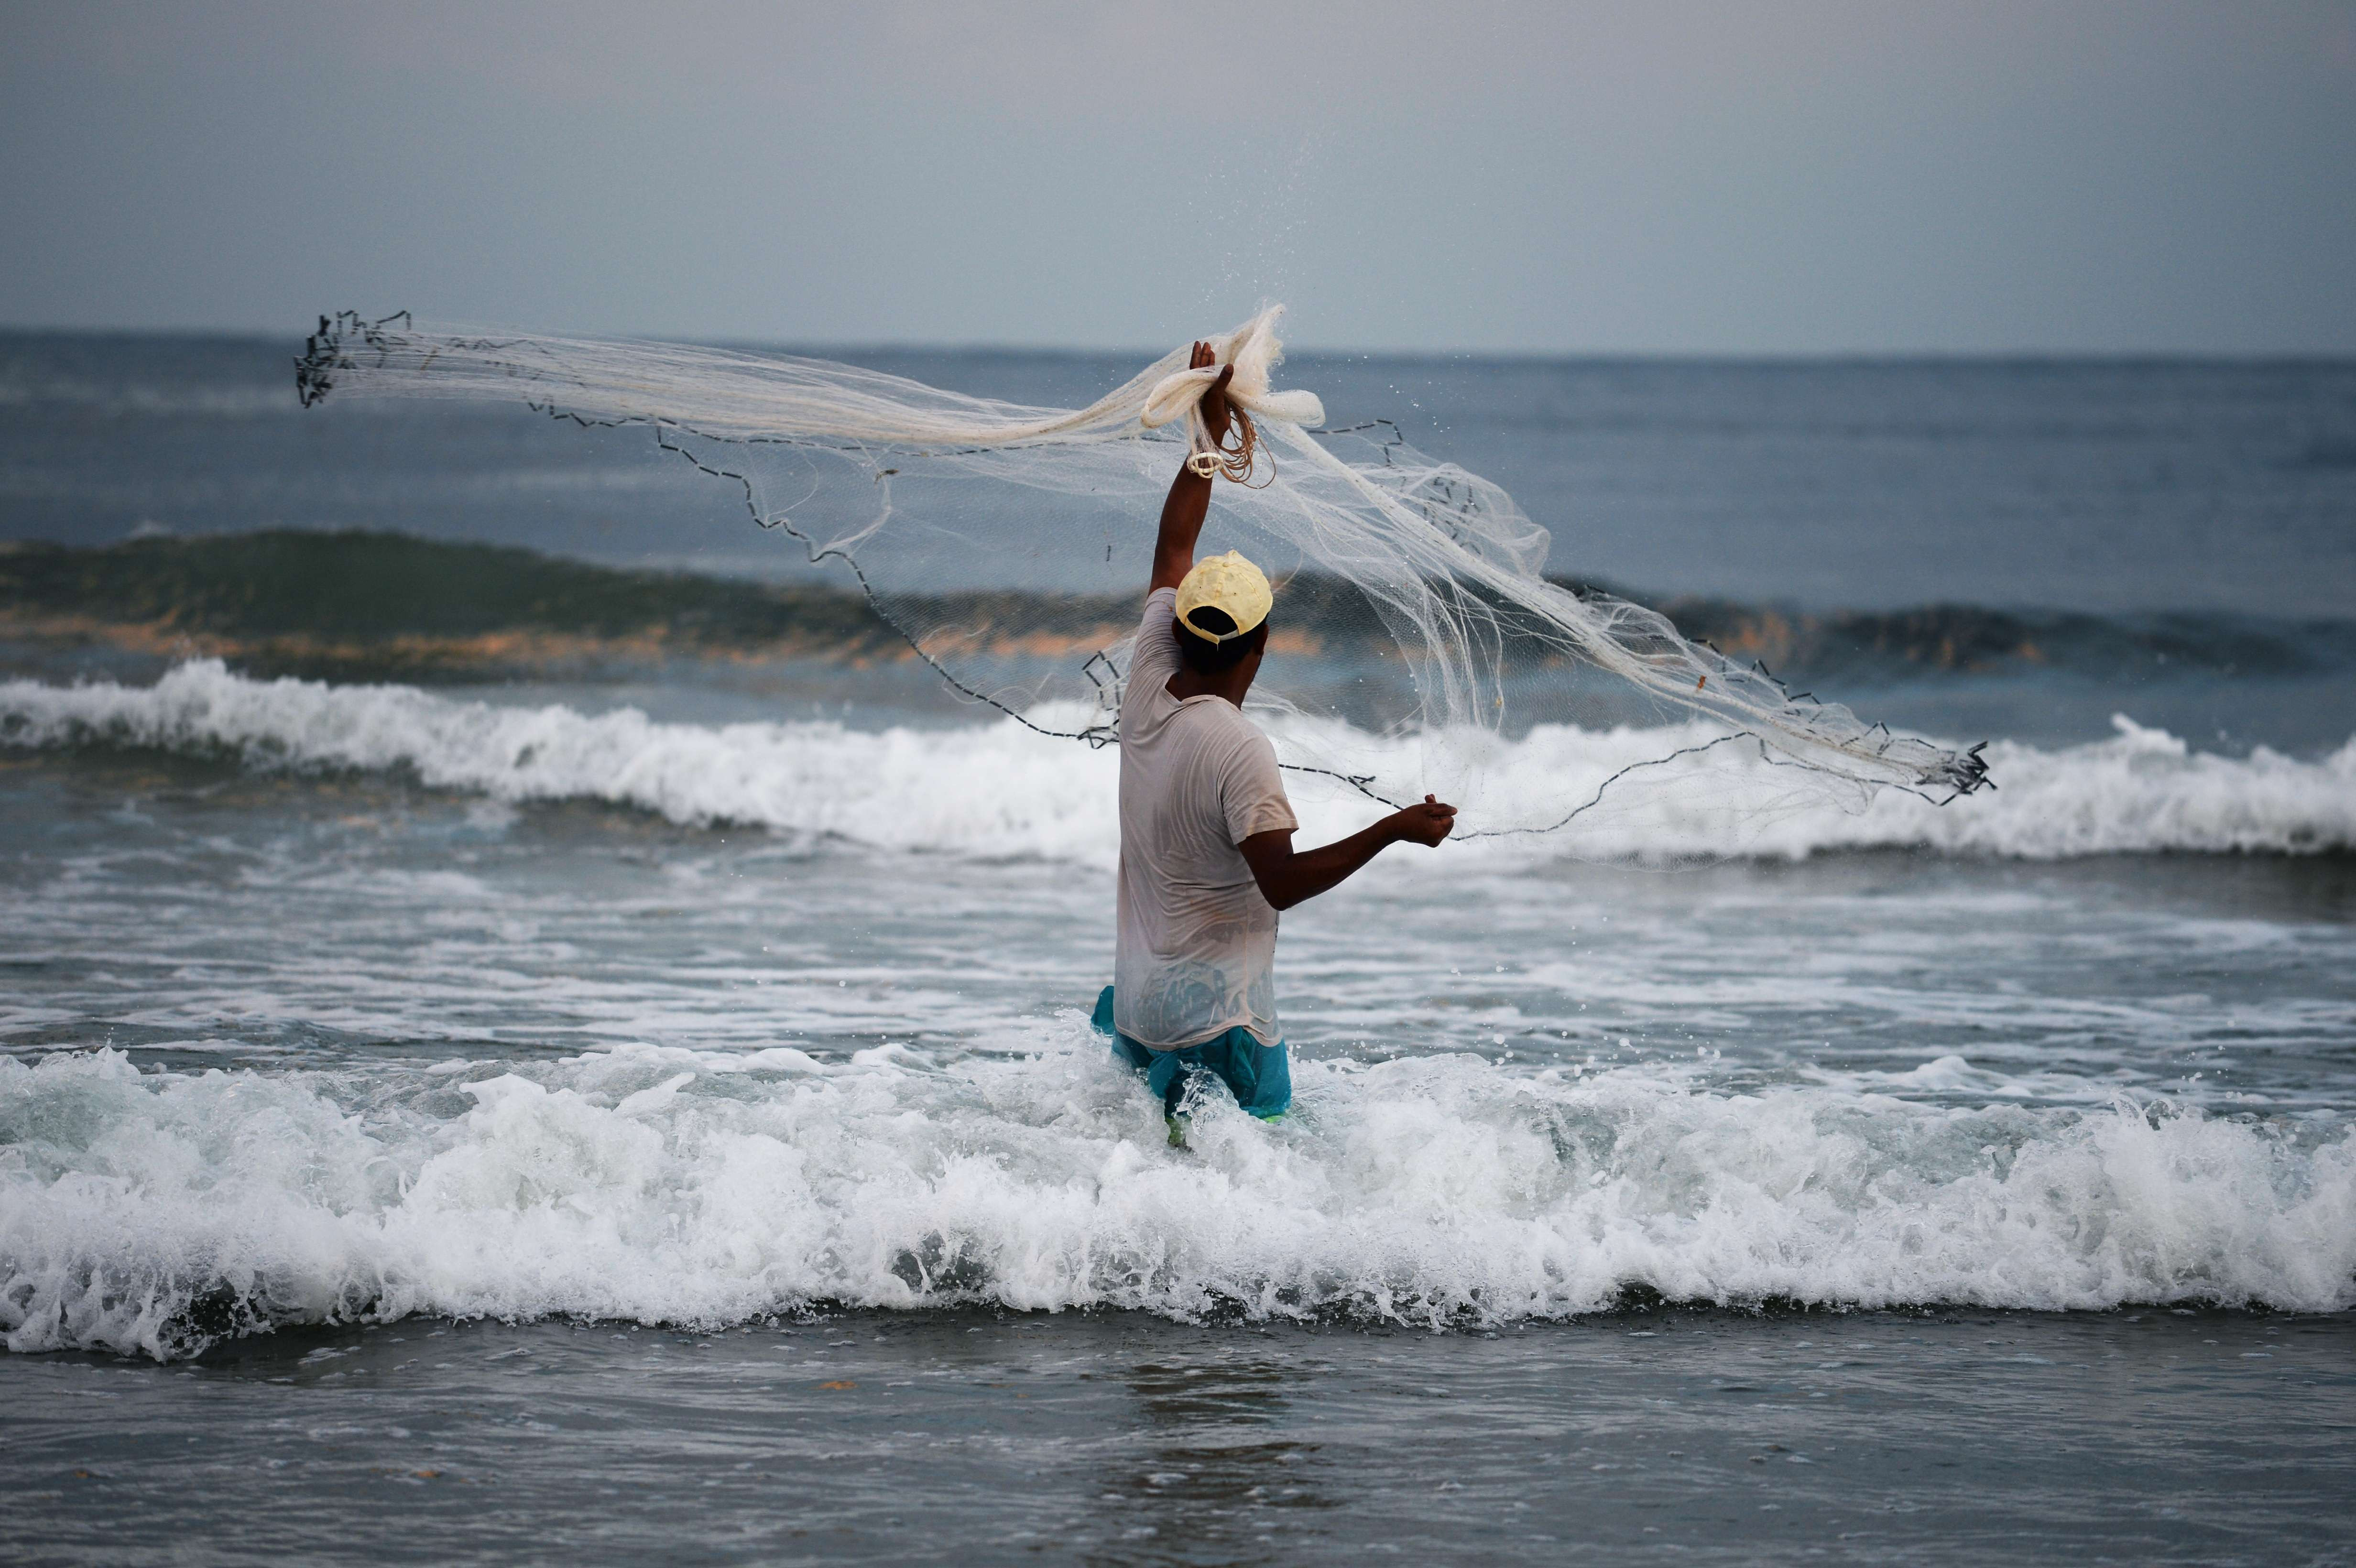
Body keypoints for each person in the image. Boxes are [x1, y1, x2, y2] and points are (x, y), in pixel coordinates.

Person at [1093, 341, 1458, 1138]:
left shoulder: (1151, 670)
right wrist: (1393, 828)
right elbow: (1282, 884)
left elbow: (1173, 549)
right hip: (1219, 1023)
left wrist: (1208, 435)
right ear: (1260, 648)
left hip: (1137, 1002)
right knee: (1247, 1197)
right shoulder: (1238, 749)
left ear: (1186, 628)